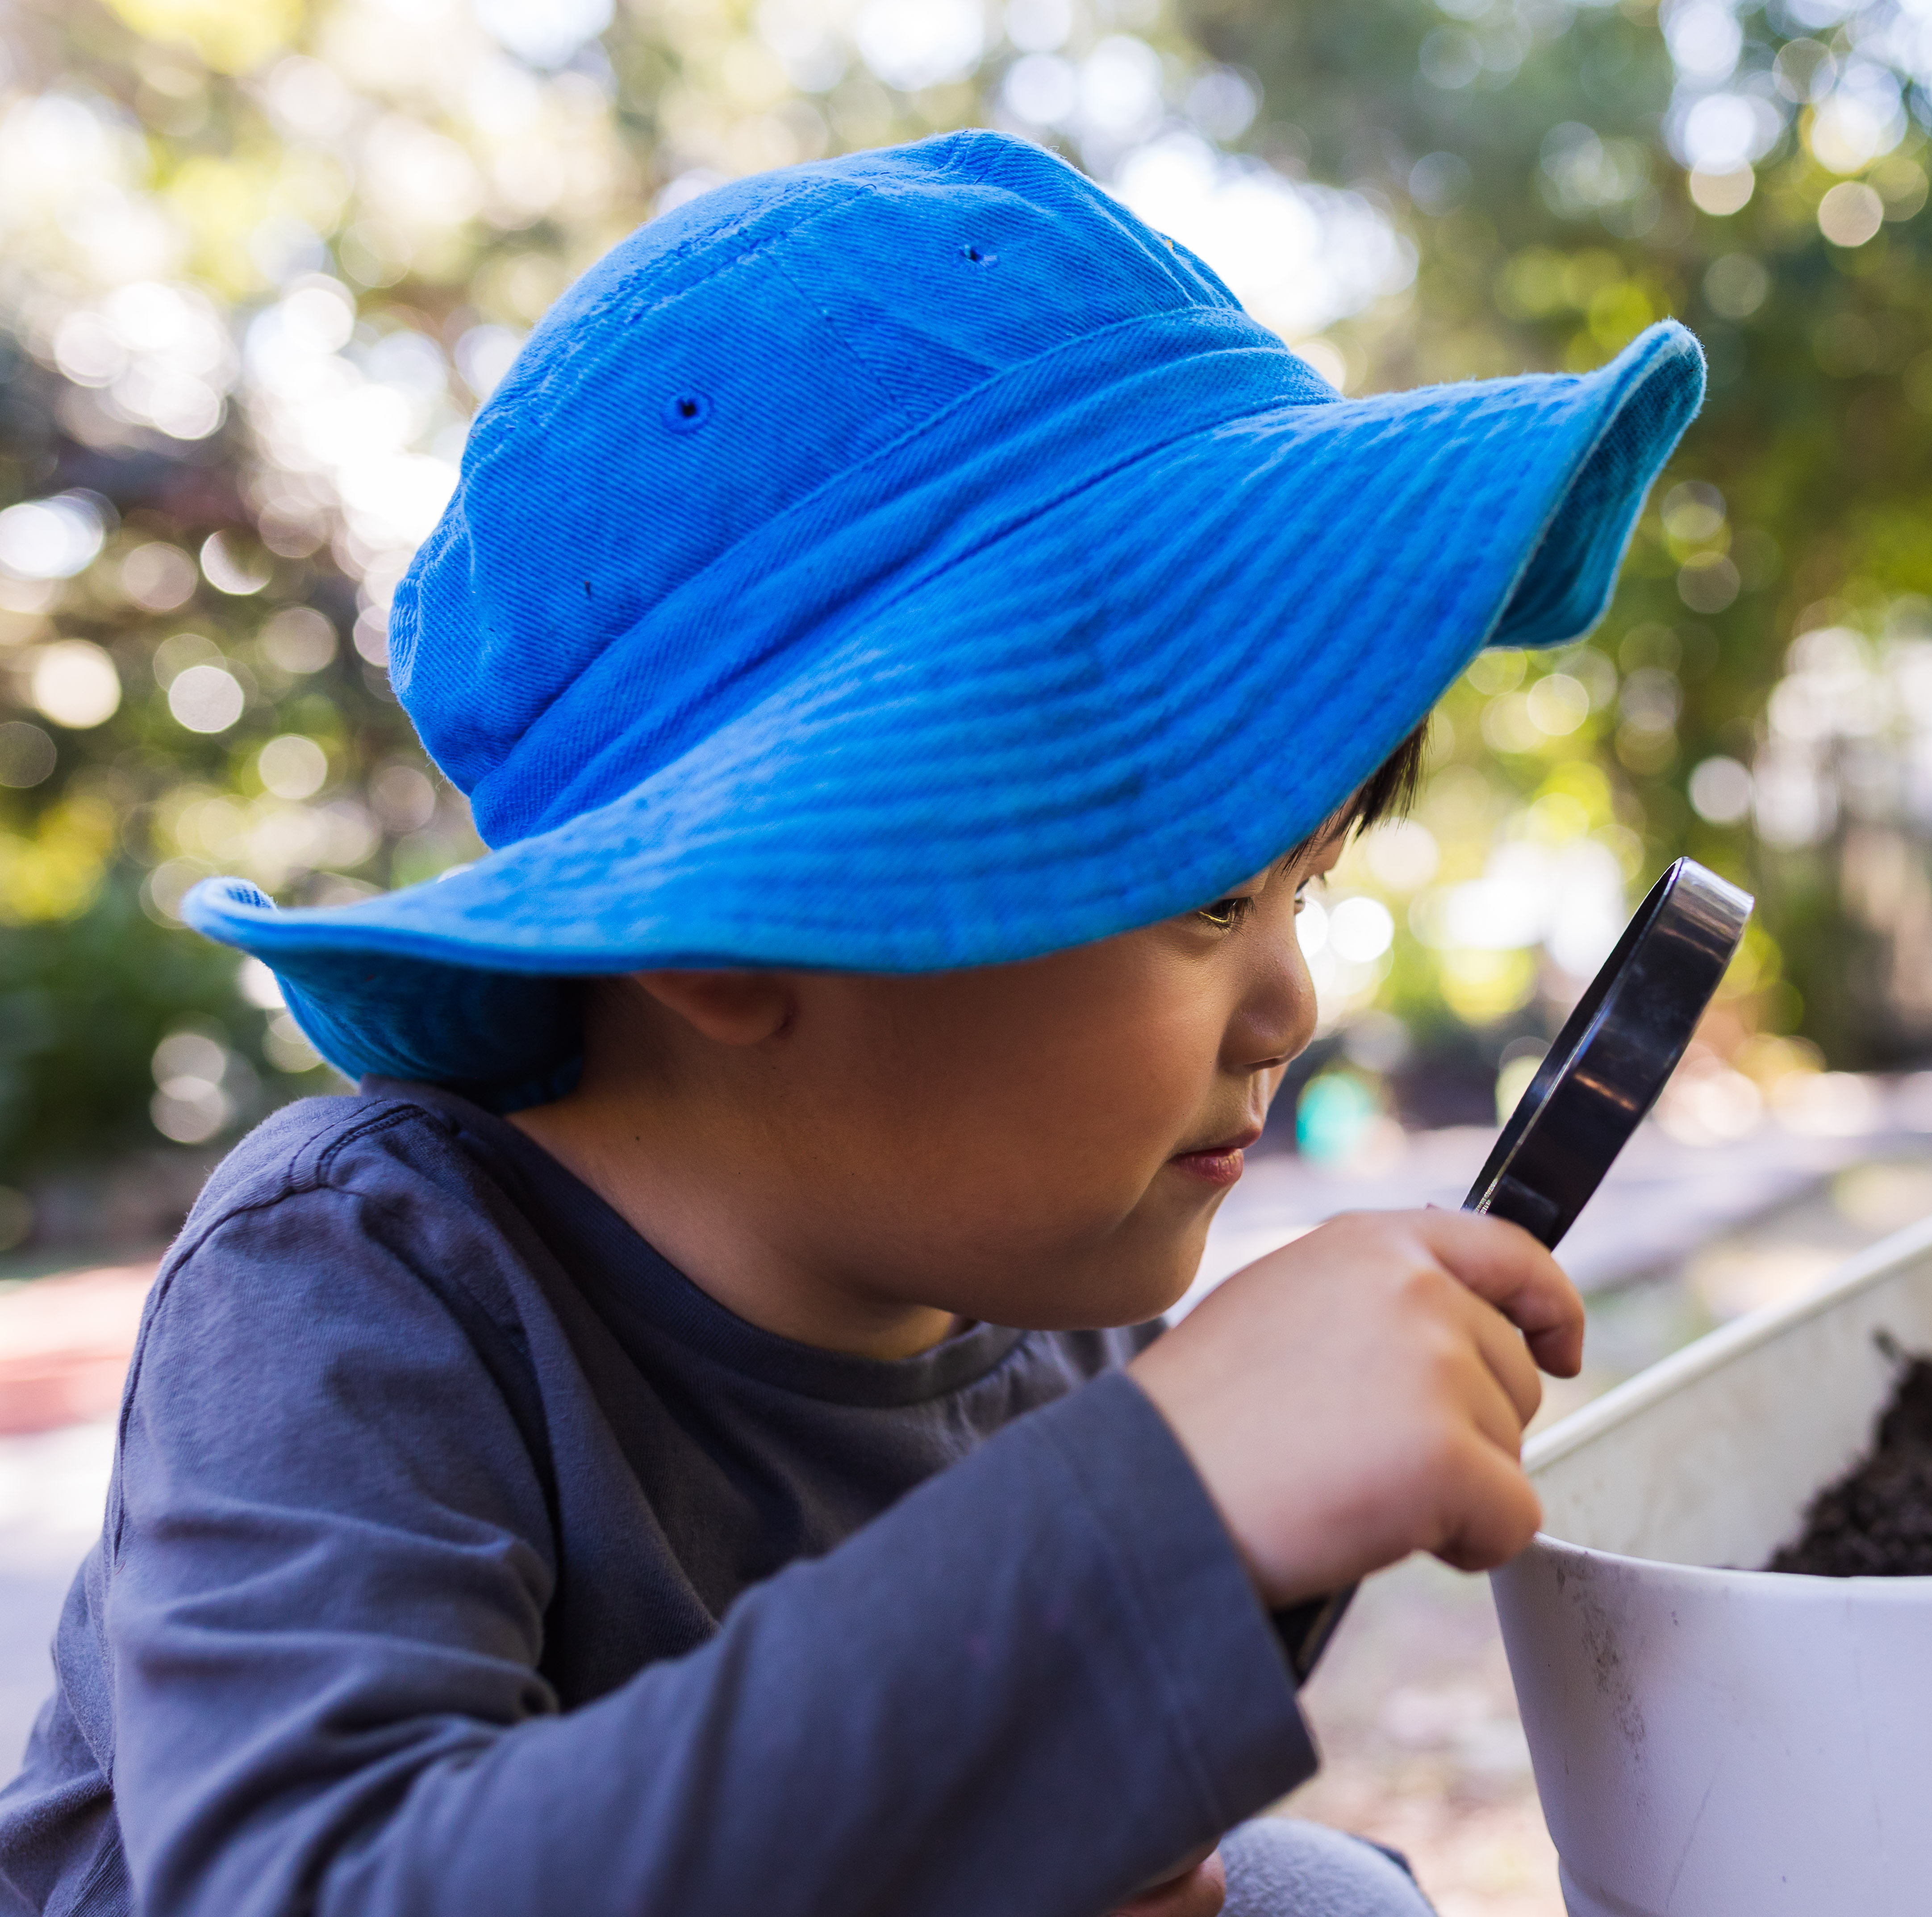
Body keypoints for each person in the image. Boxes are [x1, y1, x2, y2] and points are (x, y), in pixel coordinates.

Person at [0, 132, 1701, 1917]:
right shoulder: (366, 1284)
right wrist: (1159, 1514)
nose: (1292, 999)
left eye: (1306, 889)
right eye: (1209, 897)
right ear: (735, 927)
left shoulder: (1034, 1320)